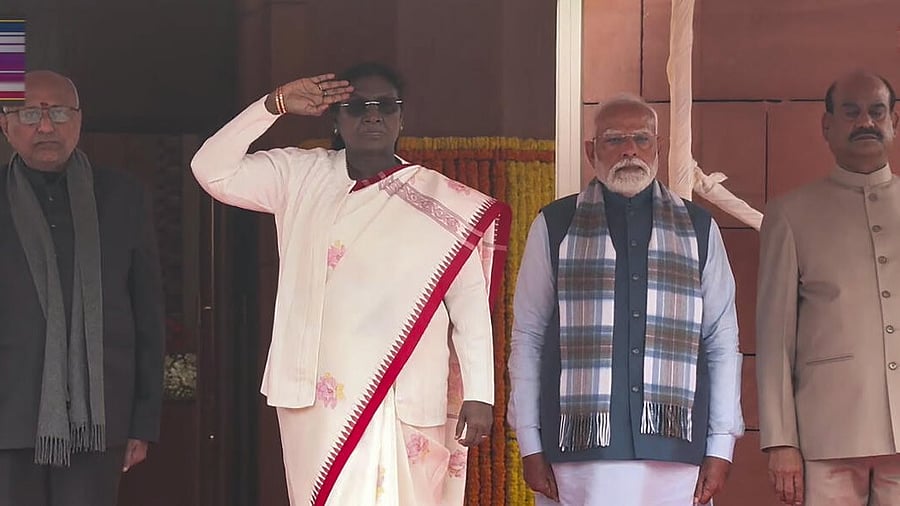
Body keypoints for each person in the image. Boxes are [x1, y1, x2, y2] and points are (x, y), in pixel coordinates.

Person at [191, 62, 511, 505]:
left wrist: (480, 395)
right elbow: (211, 169)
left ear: (403, 118)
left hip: (402, 393)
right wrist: (274, 105)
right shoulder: (298, 175)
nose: (373, 116)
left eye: (386, 107)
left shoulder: (443, 205)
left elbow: (470, 308)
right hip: (318, 399)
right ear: (336, 119)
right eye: (358, 107)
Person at [508, 94, 744, 505]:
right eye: (615, 140)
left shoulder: (699, 228)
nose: (630, 150)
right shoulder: (555, 224)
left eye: (642, 139)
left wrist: (720, 446)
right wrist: (529, 441)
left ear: (659, 147)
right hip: (580, 453)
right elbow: (527, 336)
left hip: (674, 451)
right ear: (590, 151)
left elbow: (722, 340)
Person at [0, 70, 165, 505]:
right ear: (6, 124)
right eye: (30, 113)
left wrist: (142, 422)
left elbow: (147, 316)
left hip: (98, 420)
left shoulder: (123, 196)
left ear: (79, 119)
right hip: (7, 417)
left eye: (58, 112)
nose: (46, 126)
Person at [757, 70, 900, 506]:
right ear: (827, 125)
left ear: (894, 120)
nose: (866, 123)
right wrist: (781, 441)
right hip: (825, 438)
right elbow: (774, 338)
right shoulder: (790, 214)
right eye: (852, 112)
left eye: (877, 112)